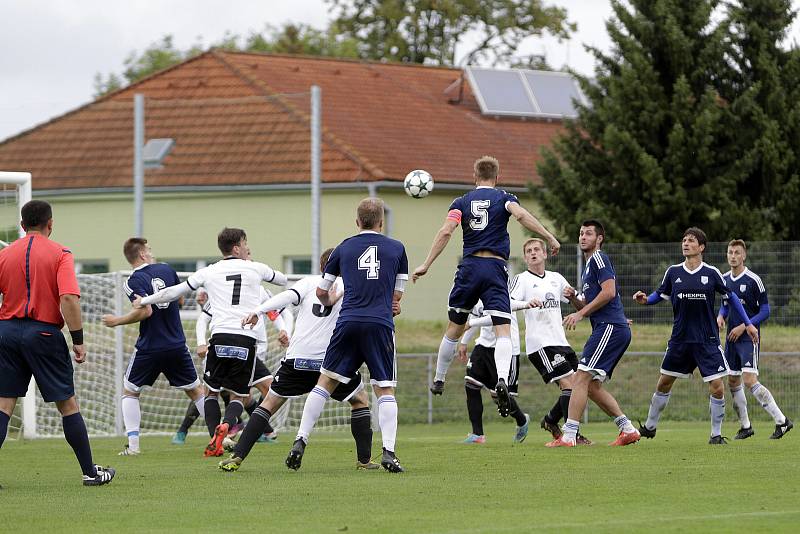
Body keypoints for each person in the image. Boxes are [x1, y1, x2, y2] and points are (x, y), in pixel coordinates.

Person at [412, 156, 560, 420]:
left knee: (455, 328)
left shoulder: (461, 203)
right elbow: (522, 215)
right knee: (504, 329)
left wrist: (426, 263)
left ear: (474, 176)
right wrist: (548, 236)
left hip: (468, 268)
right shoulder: (505, 197)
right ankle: (502, 379)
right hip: (495, 268)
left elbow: (446, 231)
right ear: (497, 176)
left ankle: (439, 378)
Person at [218, 248, 379, 472]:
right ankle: (364, 461)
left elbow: (285, 297)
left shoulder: (308, 283)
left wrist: (258, 310)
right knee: (360, 400)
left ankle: (237, 456)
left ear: (323, 267)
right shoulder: (350, 285)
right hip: (331, 360)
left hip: (298, 358)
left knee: (269, 404)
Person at [134, 227, 287, 456]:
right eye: (245, 244)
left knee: (211, 392)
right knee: (238, 395)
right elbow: (283, 279)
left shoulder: (209, 272)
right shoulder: (257, 268)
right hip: (246, 340)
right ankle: (228, 423)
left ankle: (216, 438)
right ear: (237, 248)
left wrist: (145, 299)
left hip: (219, 338)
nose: (248, 248)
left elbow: (174, 292)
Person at [283, 198, 407, 473]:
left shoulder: (343, 247)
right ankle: (389, 452)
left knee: (325, 383)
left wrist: (332, 299)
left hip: (348, 321)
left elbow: (321, 292)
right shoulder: (397, 248)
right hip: (379, 323)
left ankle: (300, 440)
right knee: (384, 388)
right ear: (381, 221)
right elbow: (396, 296)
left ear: (357, 221)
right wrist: (389, 303)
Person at [0, 200, 114, 486]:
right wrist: (78, 340)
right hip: (44, 333)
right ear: (50, 223)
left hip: (7, 332)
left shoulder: (5, 255)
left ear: (22, 226)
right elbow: (68, 298)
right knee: (67, 404)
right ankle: (90, 472)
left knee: (3, 404)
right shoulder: (60, 253)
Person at [634, 228, 758, 444]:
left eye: (691, 241)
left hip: (706, 340)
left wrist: (748, 324)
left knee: (717, 386)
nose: (685, 243)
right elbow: (659, 294)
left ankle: (716, 435)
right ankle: (650, 427)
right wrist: (646, 300)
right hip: (680, 340)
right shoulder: (673, 272)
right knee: (663, 383)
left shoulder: (711, 273)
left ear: (701, 247)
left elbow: (732, 298)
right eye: (684, 240)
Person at [101, 237, 206, 455]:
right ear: (141, 254)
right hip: (176, 343)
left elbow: (145, 311)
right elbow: (179, 301)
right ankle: (219, 437)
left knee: (130, 392)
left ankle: (134, 446)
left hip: (150, 346)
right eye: (149, 249)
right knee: (196, 392)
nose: (151, 252)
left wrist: (117, 321)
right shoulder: (167, 270)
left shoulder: (132, 281)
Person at [547, 220, 640, 447]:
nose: (583, 237)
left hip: (610, 328)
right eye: (580, 233)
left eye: (588, 233)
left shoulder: (599, 258)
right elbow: (591, 305)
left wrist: (580, 315)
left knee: (580, 378)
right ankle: (626, 428)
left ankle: (569, 436)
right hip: (611, 327)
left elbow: (609, 292)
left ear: (599, 239)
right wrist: (573, 300)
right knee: (591, 386)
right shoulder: (589, 267)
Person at [509, 238, 593, 444]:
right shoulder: (521, 279)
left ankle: (551, 420)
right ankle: (570, 435)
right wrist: (526, 304)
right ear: (526, 257)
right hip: (540, 343)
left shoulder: (556, 278)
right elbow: (507, 302)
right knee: (570, 385)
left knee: (580, 385)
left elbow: (580, 304)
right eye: (529, 251)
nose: (533, 253)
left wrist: (573, 296)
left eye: (537, 249)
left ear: (545, 254)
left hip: (561, 341)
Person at [718, 239, 792, 439]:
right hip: (731, 339)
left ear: (744, 256)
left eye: (737, 253)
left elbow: (766, 310)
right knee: (733, 380)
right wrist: (720, 316)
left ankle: (782, 421)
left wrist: (744, 325)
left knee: (750, 380)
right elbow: (725, 304)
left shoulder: (753, 280)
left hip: (749, 338)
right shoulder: (723, 279)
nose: (733, 256)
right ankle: (745, 426)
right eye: (730, 252)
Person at [456, 299, 531, 444]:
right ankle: (477, 434)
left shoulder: (500, 292)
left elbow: (493, 318)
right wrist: (464, 342)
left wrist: (526, 304)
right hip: (483, 346)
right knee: (471, 385)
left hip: (505, 348)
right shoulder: (478, 294)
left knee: (499, 396)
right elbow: (476, 315)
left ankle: (522, 420)